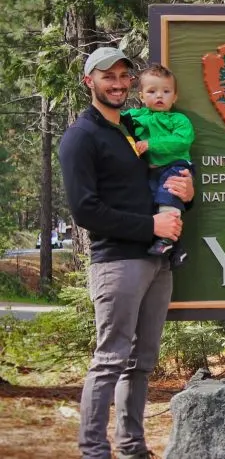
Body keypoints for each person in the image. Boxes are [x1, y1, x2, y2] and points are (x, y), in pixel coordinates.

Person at [58, 47, 194, 459]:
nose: (117, 83)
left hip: (157, 261)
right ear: (89, 82)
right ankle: (95, 451)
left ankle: (133, 447)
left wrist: (187, 196)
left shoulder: (132, 131)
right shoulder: (82, 137)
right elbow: (85, 210)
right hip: (118, 261)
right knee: (110, 360)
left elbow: (153, 188)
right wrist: (149, 227)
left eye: (123, 76)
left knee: (142, 362)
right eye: (107, 77)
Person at [127, 63, 195, 265]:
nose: (159, 96)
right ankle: (177, 250)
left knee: (168, 197)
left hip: (175, 166)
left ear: (174, 97)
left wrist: (150, 144)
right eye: (152, 91)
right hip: (150, 172)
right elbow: (114, 121)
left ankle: (166, 239)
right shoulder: (135, 116)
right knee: (154, 205)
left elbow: (182, 141)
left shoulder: (178, 120)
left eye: (166, 92)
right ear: (141, 96)